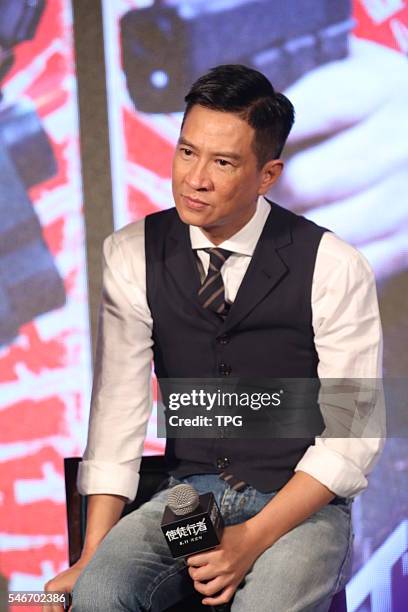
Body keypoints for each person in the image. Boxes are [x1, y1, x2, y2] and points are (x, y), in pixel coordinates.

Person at [45, 64, 383, 611]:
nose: (194, 178)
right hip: (189, 503)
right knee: (101, 594)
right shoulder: (132, 252)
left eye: (222, 162)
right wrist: (91, 555)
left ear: (267, 174)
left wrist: (249, 540)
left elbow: (352, 438)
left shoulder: (334, 265)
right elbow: (117, 413)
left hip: (301, 504)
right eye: (186, 152)